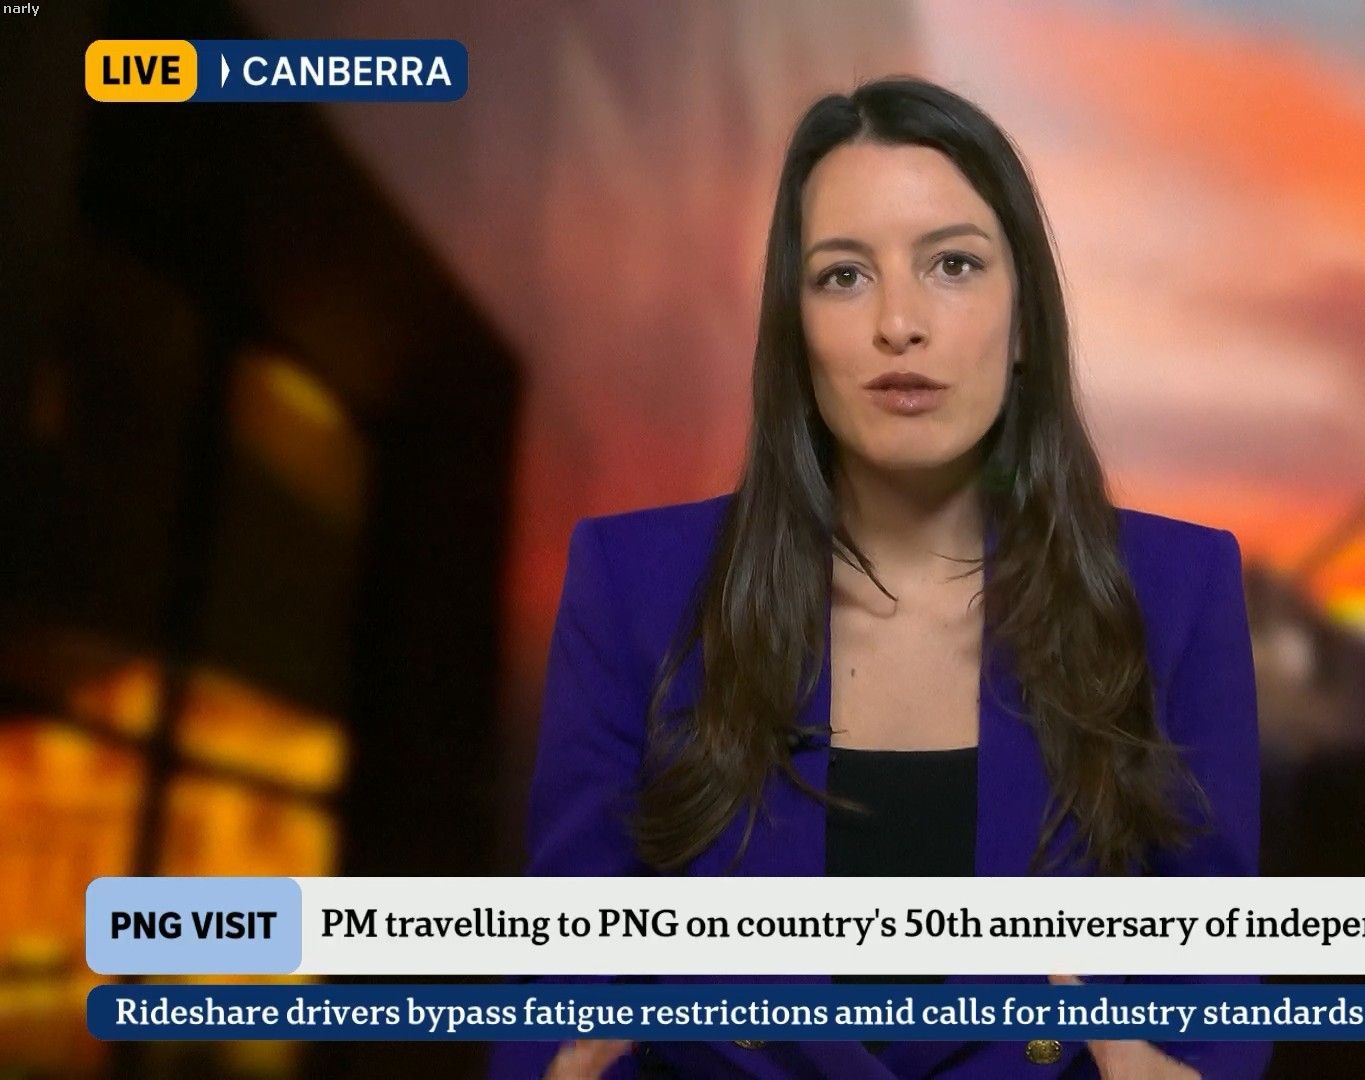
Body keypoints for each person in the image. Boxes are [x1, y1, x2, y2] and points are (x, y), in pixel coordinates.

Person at [492, 75, 1269, 1079]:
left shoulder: (1178, 591)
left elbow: (1214, 1003)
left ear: (1024, 322)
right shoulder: (633, 585)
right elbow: (558, 982)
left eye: (953, 264)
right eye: (844, 276)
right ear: (794, 328)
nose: (899, 322)